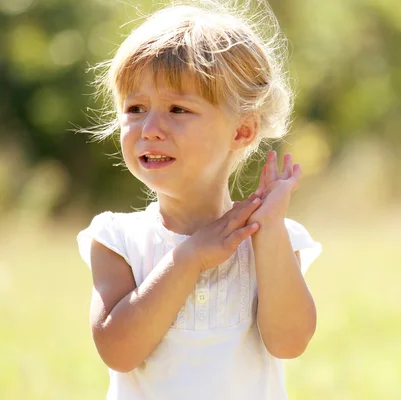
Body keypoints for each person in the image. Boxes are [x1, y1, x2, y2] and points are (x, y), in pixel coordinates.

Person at [76, 2, 322, 399]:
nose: (150, 128)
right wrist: (189, 258)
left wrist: (270, 231)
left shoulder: (270, 240)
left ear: (242, 131)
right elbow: (118, 350)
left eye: (178, 109)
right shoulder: (118, 240)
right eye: (135, 108)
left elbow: (289, 342)